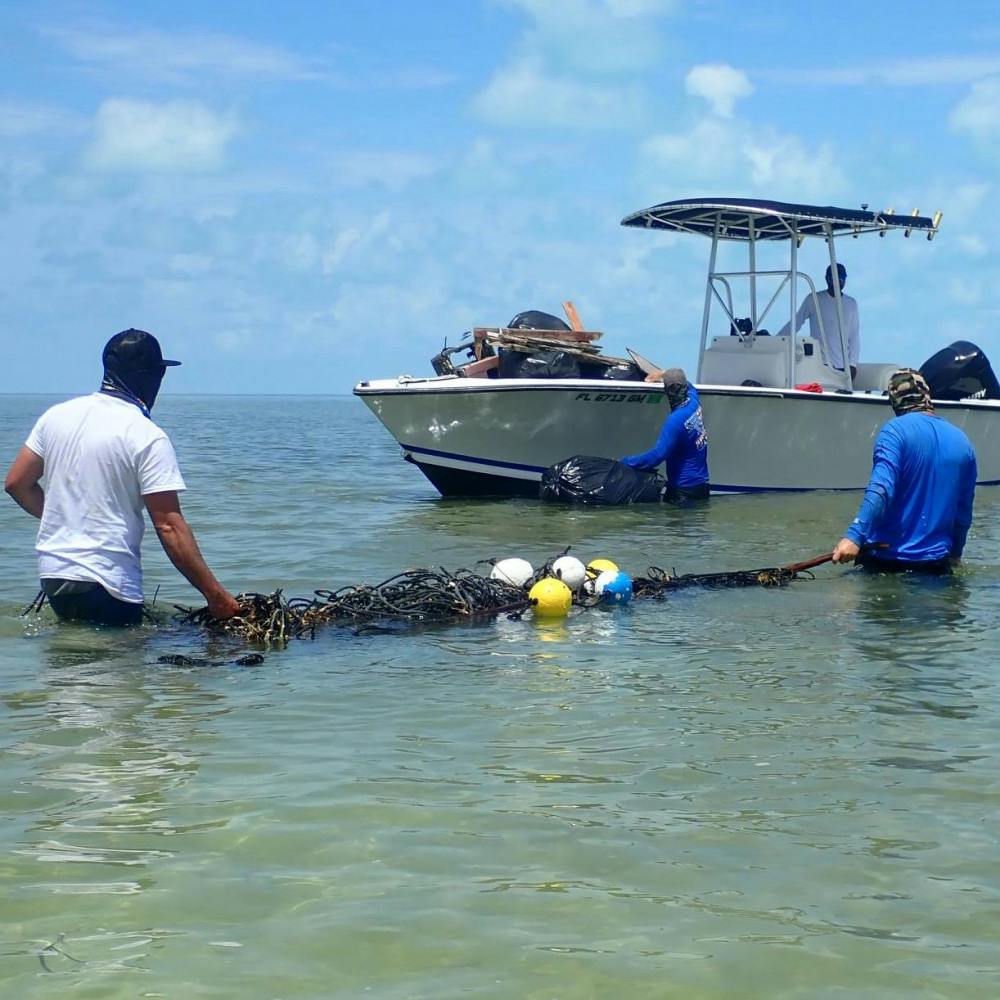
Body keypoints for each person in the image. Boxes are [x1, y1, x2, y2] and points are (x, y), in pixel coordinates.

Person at [4, 329, 241, 626]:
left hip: (55, 575)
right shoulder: (145, 434)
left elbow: (17, 483)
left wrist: (67, 519)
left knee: (69, 669)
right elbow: (169, 526)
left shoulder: (57, 416)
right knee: (122, 668)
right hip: (109, 581)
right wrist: (215, 595)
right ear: (151, 377)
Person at [832, 368, 976, 574]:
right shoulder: (963, 441)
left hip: (886, 562)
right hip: (936, 567)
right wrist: (955, 554)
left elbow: (881, 488)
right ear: (927, 396)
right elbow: (963, 512)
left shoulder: (894, 431)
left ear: (894, 400)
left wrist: (854, 536)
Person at [620, 368, 709, 504]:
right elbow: (687, 383)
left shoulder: (675, 421)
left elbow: (657, 456)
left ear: (667, 392)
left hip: (682, 491)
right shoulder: (693, 401)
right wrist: (663, 374)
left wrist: (626, 462)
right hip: (702, 487)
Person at [776, 262, 859, 381]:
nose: (837, 281)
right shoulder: (813, 299)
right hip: (819, 364)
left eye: (841, 278)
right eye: (833, 278)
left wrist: (853, 364)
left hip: (843, 368)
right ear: (827, 279)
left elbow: (854, 336)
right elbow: (796, 323)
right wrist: (776, 340)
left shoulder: (851, 304)